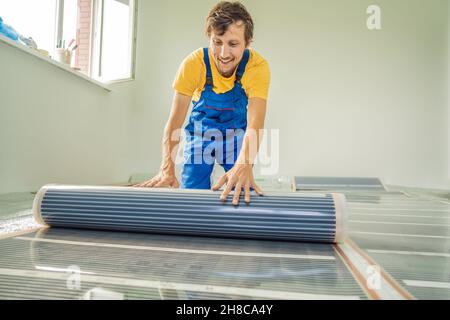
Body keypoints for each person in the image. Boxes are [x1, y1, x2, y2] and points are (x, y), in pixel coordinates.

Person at [136, 1, 271, 205]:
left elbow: (255, 123)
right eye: (217, 42)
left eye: (233, 44)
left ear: (248, 43)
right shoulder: (193, 64)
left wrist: (245, 164)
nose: (224, 54)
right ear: (210, 38)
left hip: (236, 135)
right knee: (191, 197)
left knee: (242, 191)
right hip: (200, 133)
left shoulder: (257, 67)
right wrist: (167, 169)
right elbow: (174, 123)